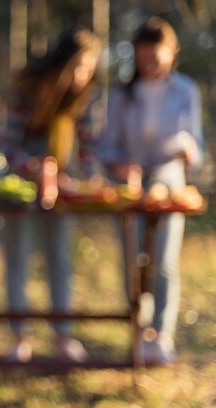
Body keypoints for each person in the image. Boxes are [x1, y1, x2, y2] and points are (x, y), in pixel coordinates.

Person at [98, 17, 203, 365]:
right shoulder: (121, 96)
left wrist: (188, 152)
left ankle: (162, 334)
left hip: (170, 182)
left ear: (172, 54)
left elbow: (196, 150)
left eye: (156, 58)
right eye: (144, 59)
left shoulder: (186, 91)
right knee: (132, 263)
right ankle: (138, 331)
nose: (150, 65)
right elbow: (107, 148)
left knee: (163, 261)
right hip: (128, 186)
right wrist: (120, 166)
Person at [0, 29, 102, 362]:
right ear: (63, 63)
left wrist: (93, 177)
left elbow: (86, 146)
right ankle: (19, 337)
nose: (83, 76)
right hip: (19, 187)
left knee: (60, 259)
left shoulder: (84, 97)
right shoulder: (27, 90)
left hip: (62, 187)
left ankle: (63, 335)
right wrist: (29, 166)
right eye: (79, 67)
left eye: (90, 69)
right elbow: (5, 144)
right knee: (17, 259)